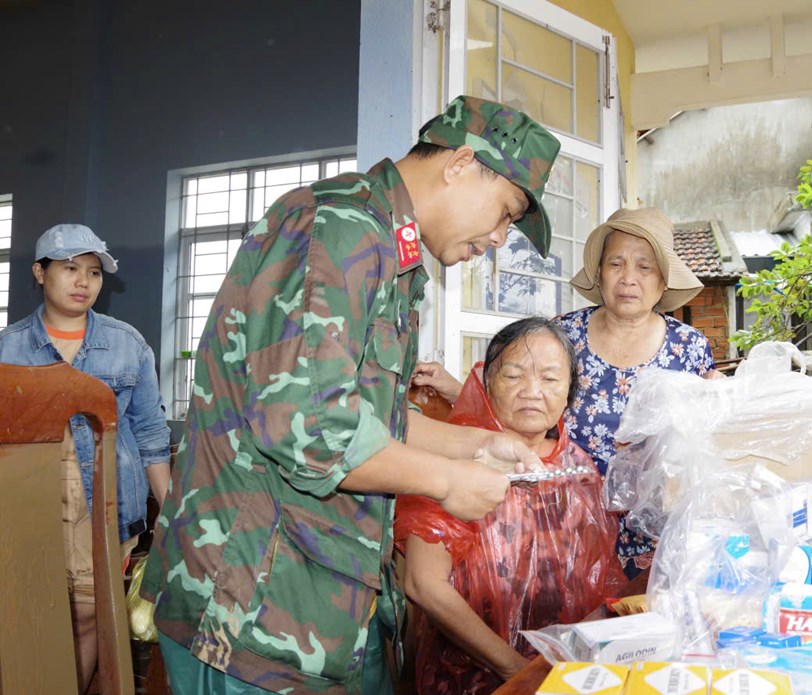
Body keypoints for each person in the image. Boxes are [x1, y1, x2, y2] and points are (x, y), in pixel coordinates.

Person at [140, 96, 562, 695]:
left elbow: (375, 417)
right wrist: (447, 482)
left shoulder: (395, 257)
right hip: (251, 607)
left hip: (325, 596)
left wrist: (476, 445)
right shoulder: (337, 229)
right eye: (504, 213)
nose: (498, 238)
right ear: (462, 163)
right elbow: (312, 430)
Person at [412, 207, 716, 578]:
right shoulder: (564, 333)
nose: (628, 278)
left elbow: (703, 444)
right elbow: (517, 407)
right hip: (563, 526)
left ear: (663, 281)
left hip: (658, 535)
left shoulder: (689, 348)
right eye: (616, 264)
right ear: (599, 273)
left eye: (645, 267)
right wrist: (455, 390)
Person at [395, 318, 623, 694]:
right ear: (486, 384)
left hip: (567, 676)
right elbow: (424, 584)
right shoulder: (450, 461)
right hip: (468, 677)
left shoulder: (578, 468)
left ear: (569, 393)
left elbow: (599, 581)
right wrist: (514, 670)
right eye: (514, 376)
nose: (532, 391)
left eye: (550, 379)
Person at [0, 223, 172, 694]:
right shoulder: (8, 347)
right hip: (32, 502)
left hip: (107, 500)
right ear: (40, 272)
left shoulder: (127, 344)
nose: (83, 282)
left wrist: (172, 510)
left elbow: (152, 433)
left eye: (94, 272)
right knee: (35, 613)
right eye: (71, 268)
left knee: (93, 614)